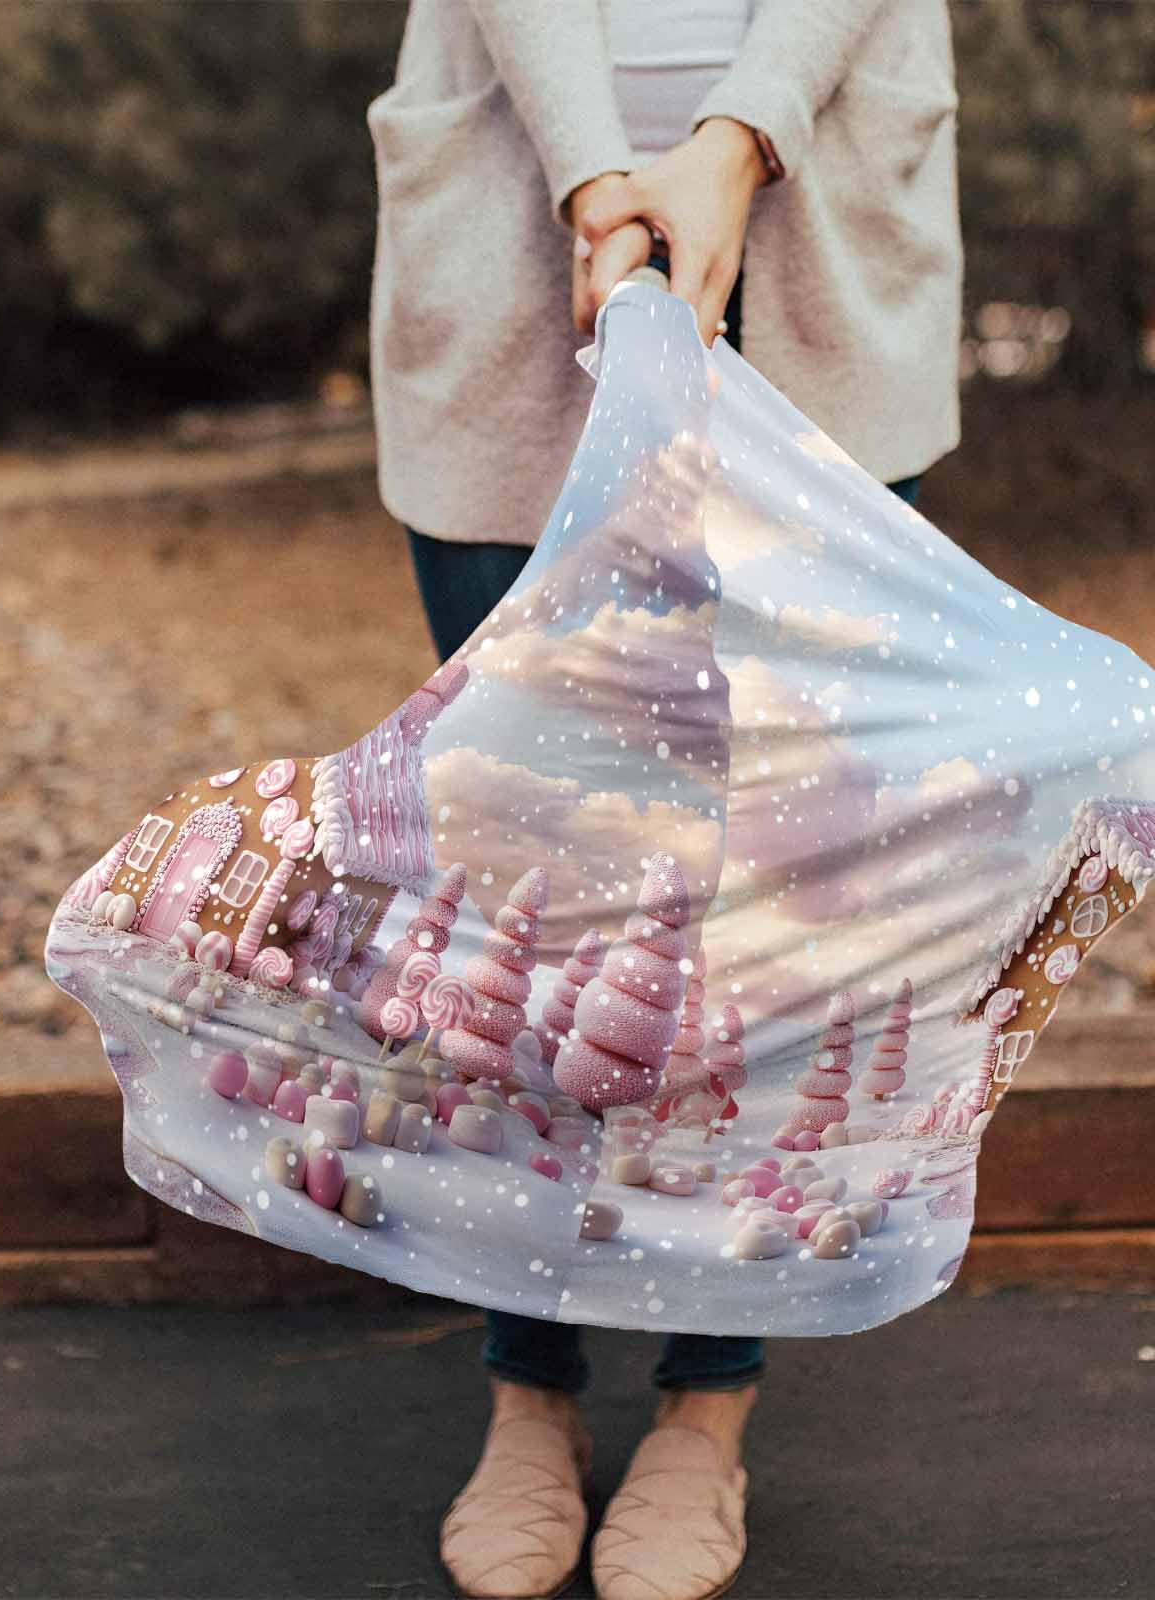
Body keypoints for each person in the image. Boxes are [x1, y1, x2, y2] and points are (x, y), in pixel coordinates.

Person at [365, 4, 962, 1596]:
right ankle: (529, 1387)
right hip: (518, 225)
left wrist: (736, 136)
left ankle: (707, 1404)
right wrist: (594, 178)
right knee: (529, 874)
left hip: (816, 224)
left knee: (773, 888)